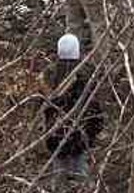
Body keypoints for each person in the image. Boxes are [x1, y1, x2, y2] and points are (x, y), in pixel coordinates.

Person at [42, 34, 104, 191]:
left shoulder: (49, 76)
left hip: (56, 138)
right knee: (81, 181)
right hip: (81, 137)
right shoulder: (87, 74)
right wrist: (93, 134)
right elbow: (94, 109)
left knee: (59, 181)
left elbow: (43, 110)